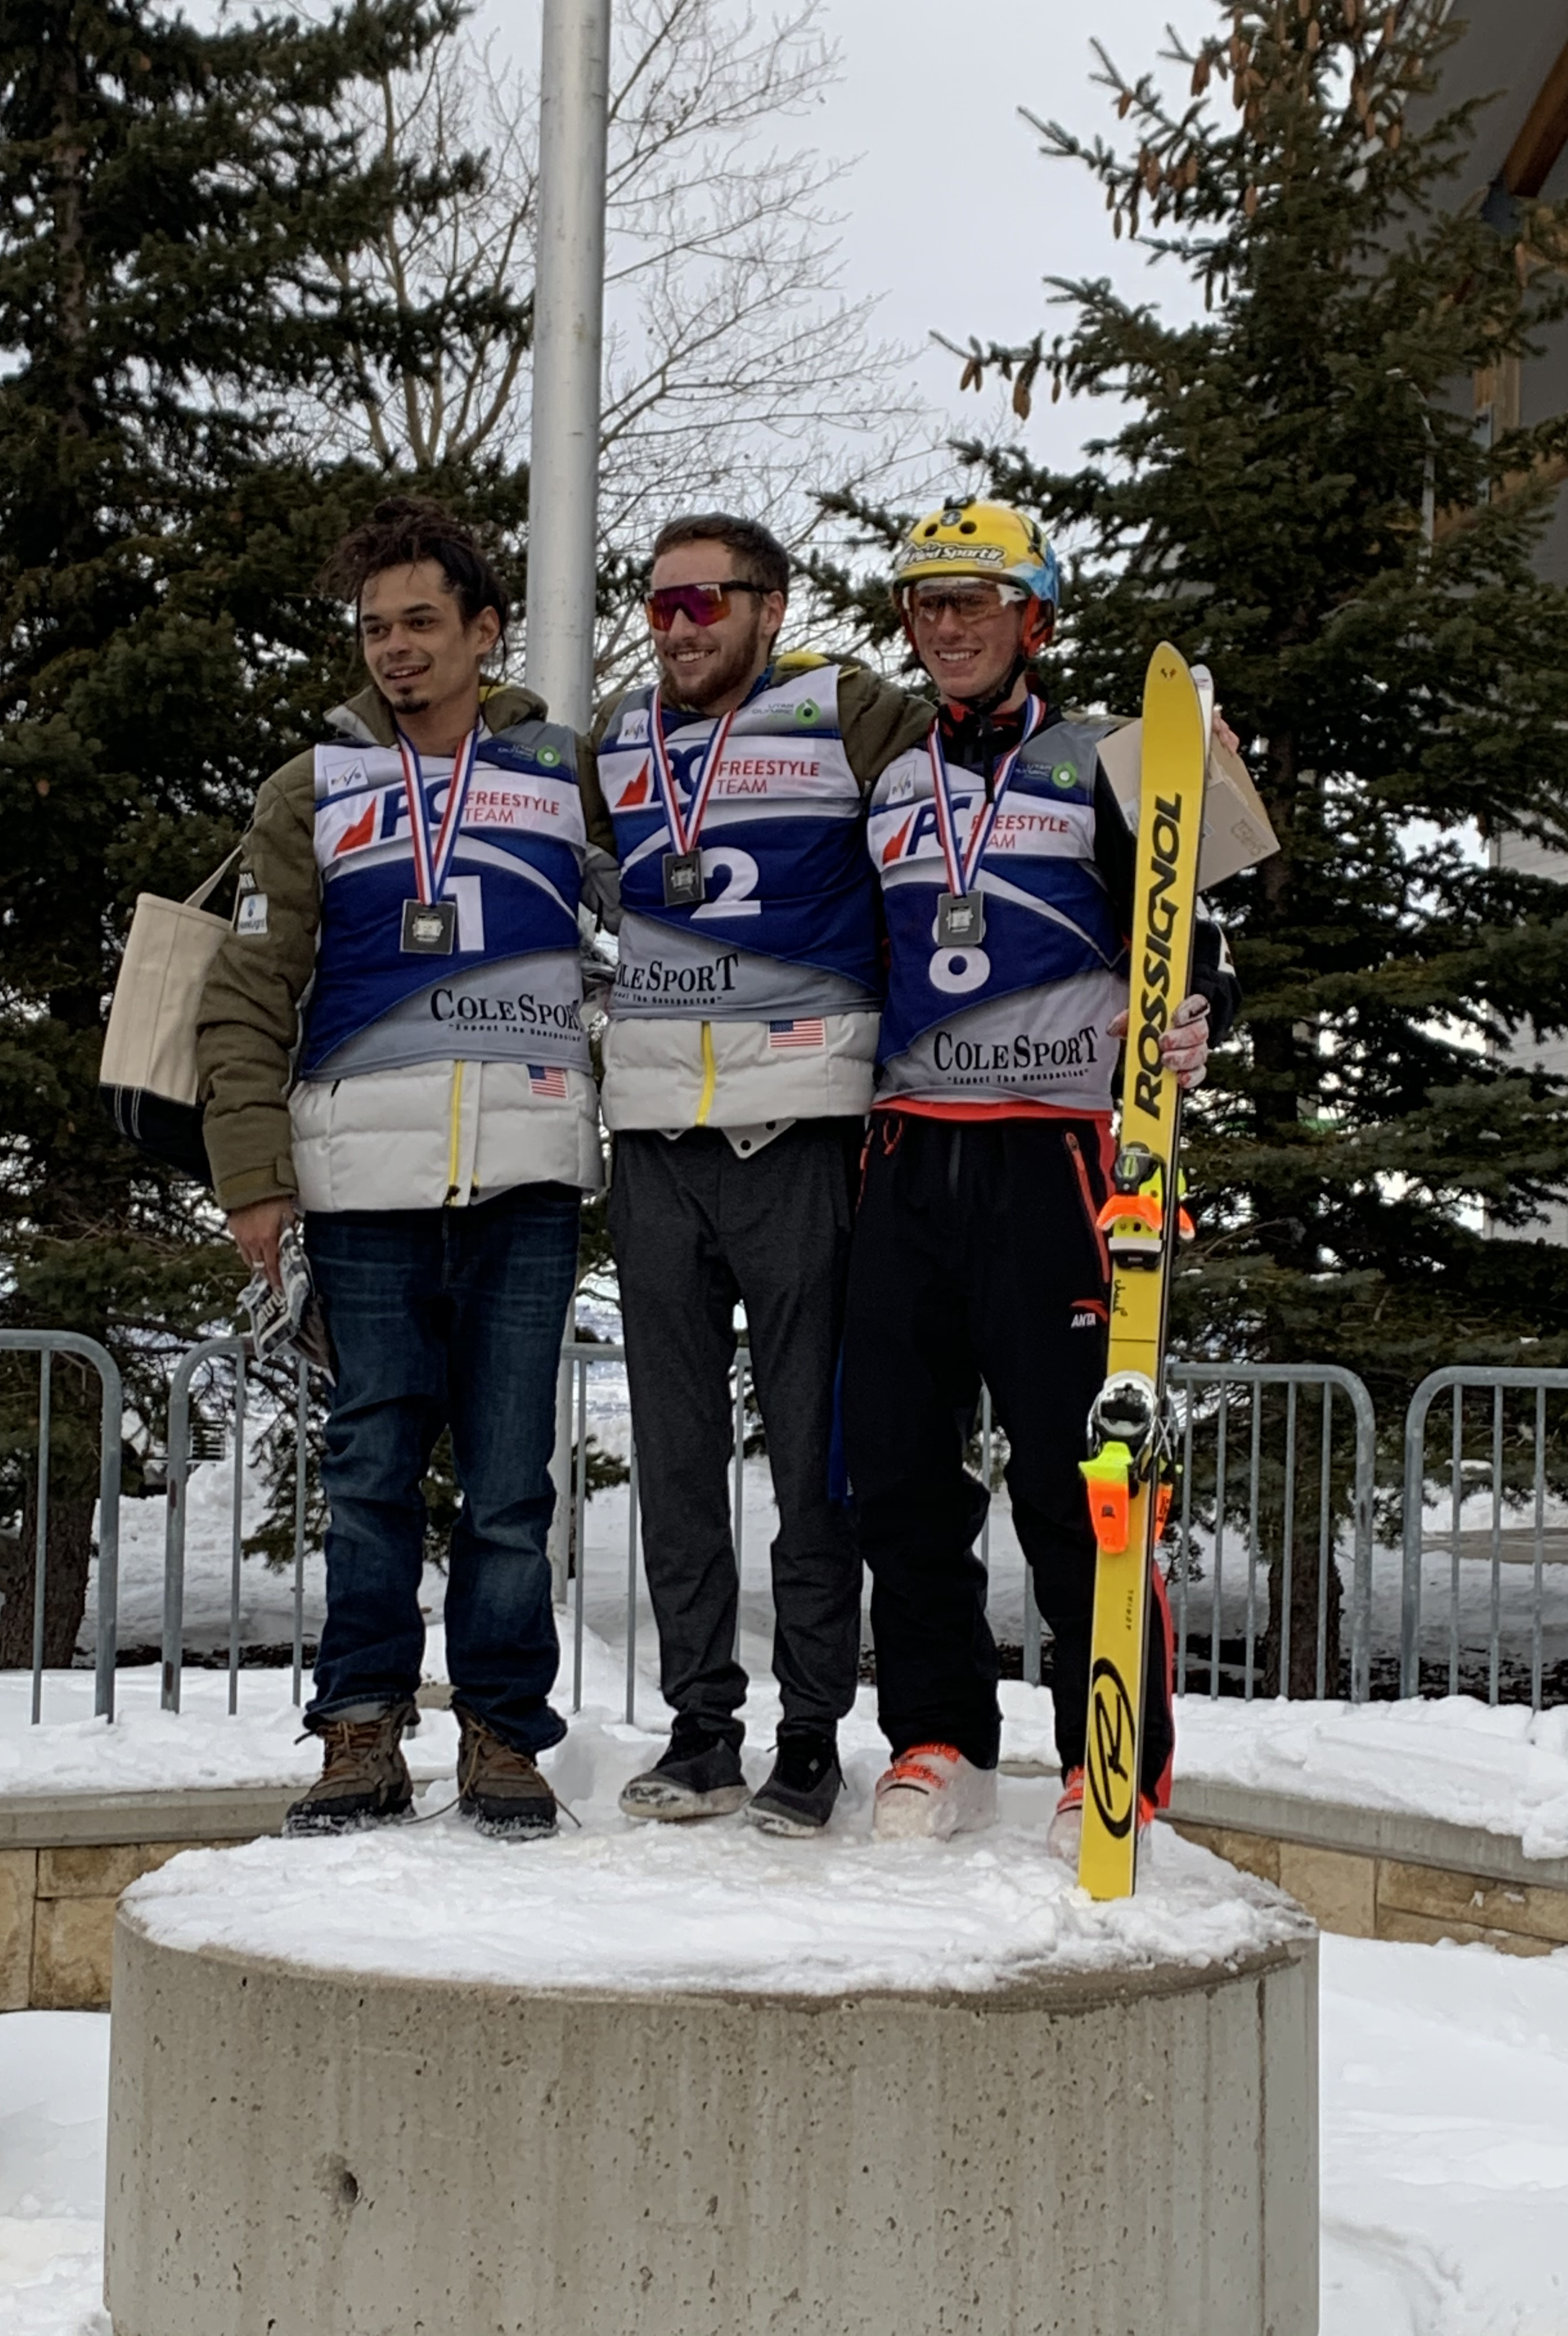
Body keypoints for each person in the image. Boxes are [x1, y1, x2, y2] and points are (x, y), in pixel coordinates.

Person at [197, 499, 614, 1839]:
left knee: (508, 1482)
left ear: (486, 632)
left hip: (530, 1166)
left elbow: (684, 902)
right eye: (376, 629)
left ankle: (503, 1734)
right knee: (371, 1470)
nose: (397, 651)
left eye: (424, 623)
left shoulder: (564, 768)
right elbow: (250, 991)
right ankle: (359, 1733)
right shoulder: (311, 786)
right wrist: (255, 1179)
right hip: (358, 1179)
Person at [843, 499, 1240, 1848]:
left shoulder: (1101, 766)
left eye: (973, 602)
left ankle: (1105, 1751)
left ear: (1034, 617)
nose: (945, 627)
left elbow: (1194, 943)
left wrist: (1192, 1021)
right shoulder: (894, 780)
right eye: (925, 604)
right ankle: (937, 1736)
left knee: (1082, 1472)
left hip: (1057, 1154)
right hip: (907, 1152)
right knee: (899, 1468)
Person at [593, 513, 934, 1835]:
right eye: (660, 604)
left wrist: (1167, 790)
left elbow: (993, 767)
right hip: (658, 1143)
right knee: (676, 1461)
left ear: (770, 607)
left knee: (811, 1461)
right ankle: (700, 1728)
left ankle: (809, 1734)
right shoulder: (612, 742)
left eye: (705, 603)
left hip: (800, 1132)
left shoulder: (841, 709)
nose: (680, 628)